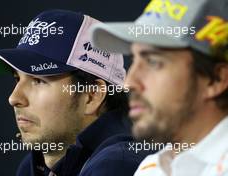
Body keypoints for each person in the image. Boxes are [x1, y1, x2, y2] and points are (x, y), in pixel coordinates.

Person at [0, 9, 148, 176]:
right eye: (17, 79)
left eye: (38, 80)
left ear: (91, 96)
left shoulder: (117, 166)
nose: (14, 98)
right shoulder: (34, 165)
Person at [90, 0, 228, 175]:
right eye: (134, 60)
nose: (129, 82)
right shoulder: (152, 168)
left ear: (215, 79)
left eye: (153, 62)